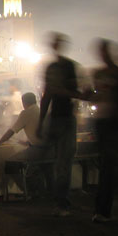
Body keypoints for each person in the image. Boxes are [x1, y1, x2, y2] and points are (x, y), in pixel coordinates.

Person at [37, 33, 82, 217]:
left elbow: (48, 95)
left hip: (60, 118)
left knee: (59, 163)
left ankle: (61, 201)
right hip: (60, 118)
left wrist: (41, 122)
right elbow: (49, 95)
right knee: (61, 162)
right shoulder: (62, 66)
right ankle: (60, 199)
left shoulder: (58, 67)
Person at [86, 39, 118, 223]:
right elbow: (94, 96)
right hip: (103, 122)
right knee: (108, 165)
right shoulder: (99, 73)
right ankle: (103, 208)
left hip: (115, 121)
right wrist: (90, 95)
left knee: (111, 165)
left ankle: (105, 207)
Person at [0, 92, 53, 196]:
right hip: (50, 149)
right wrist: (28, 141)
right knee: (47, 170)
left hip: (37, 150)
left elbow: (11, 131)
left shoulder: (26, 113)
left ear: (24, 102)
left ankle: (28, 190)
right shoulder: (42, 111)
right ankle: (47, 193)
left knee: (9, 164)